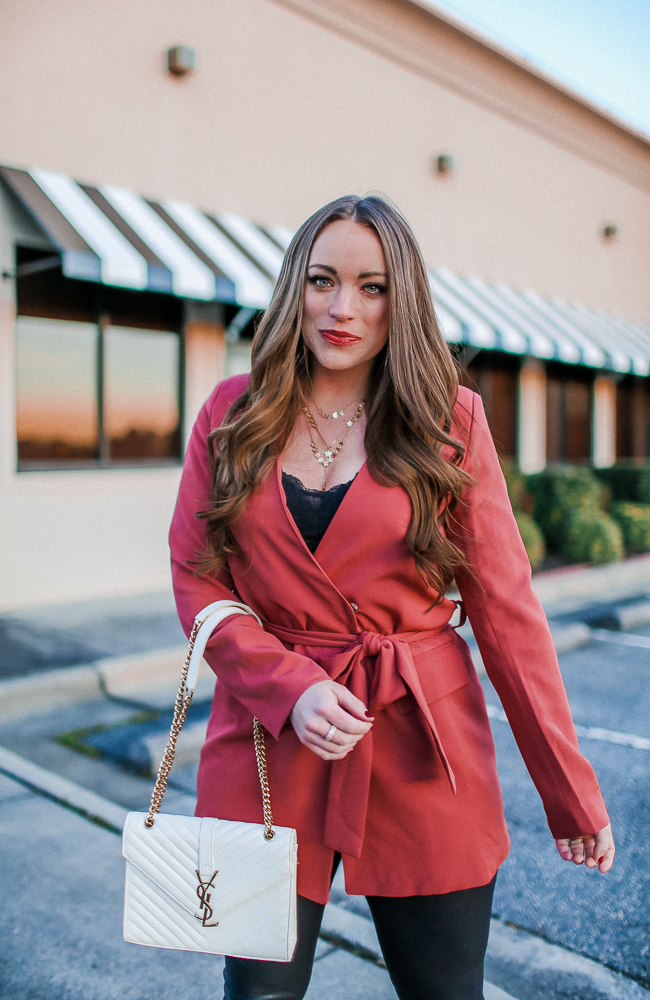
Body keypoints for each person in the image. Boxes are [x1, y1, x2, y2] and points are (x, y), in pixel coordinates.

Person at [169, 195, 615, 1000]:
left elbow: (506, 613)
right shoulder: (230, 413)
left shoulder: (448, 419)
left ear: (400, 299)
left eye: (372, 287)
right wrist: (288, 687)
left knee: (442, 992)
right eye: (322, 280)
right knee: (256, 994)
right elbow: (196, 576)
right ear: (292, 287)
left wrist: (567, 788)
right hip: (266, 744)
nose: (343, 308)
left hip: (418, 735)